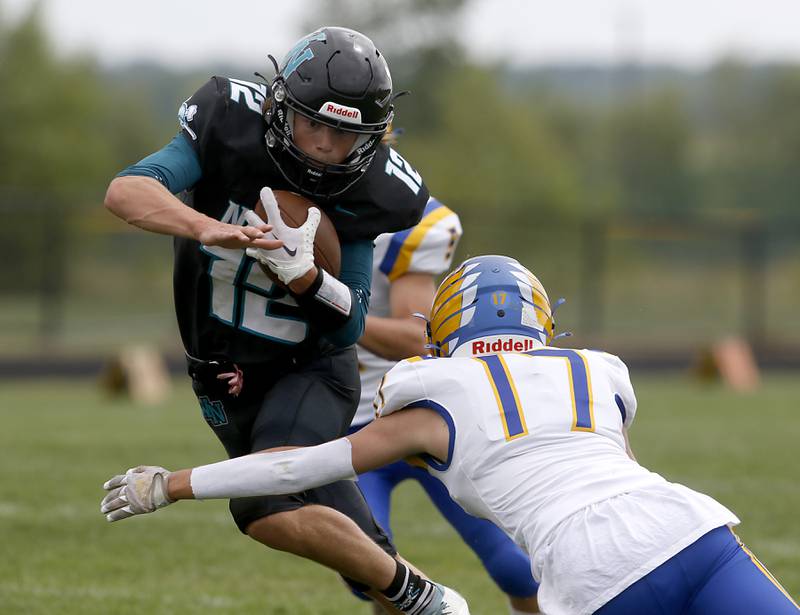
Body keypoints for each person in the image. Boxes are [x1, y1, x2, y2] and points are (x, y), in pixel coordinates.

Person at [102, 254, 799, 615]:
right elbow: (618, 471)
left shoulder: (433, 395)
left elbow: (295, 470)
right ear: (538, 322)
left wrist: (173, 483)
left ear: (445, 331)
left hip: (595, 574)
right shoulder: (596, 371)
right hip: (693, 528)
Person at [103, 25, 468, 615]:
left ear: (370, 137)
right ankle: (432, 604)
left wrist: (305, 277)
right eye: (313, 123)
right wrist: (204, 225)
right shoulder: (228, 122)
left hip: (310, 369)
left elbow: (347, 326)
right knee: (359, 553)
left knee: (262, 505)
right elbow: (126, 191)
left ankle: (420, 597)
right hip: (222, 372)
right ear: (278, 106)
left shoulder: (377, 189)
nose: (325, 144)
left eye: (344, 133)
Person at [353, 197, 540, 614]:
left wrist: (333, 308)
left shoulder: (410, 217)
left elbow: (417, 337)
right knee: (369, 568)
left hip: (430, 416)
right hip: (345, 418)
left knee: (516, 567)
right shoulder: (285, 202)